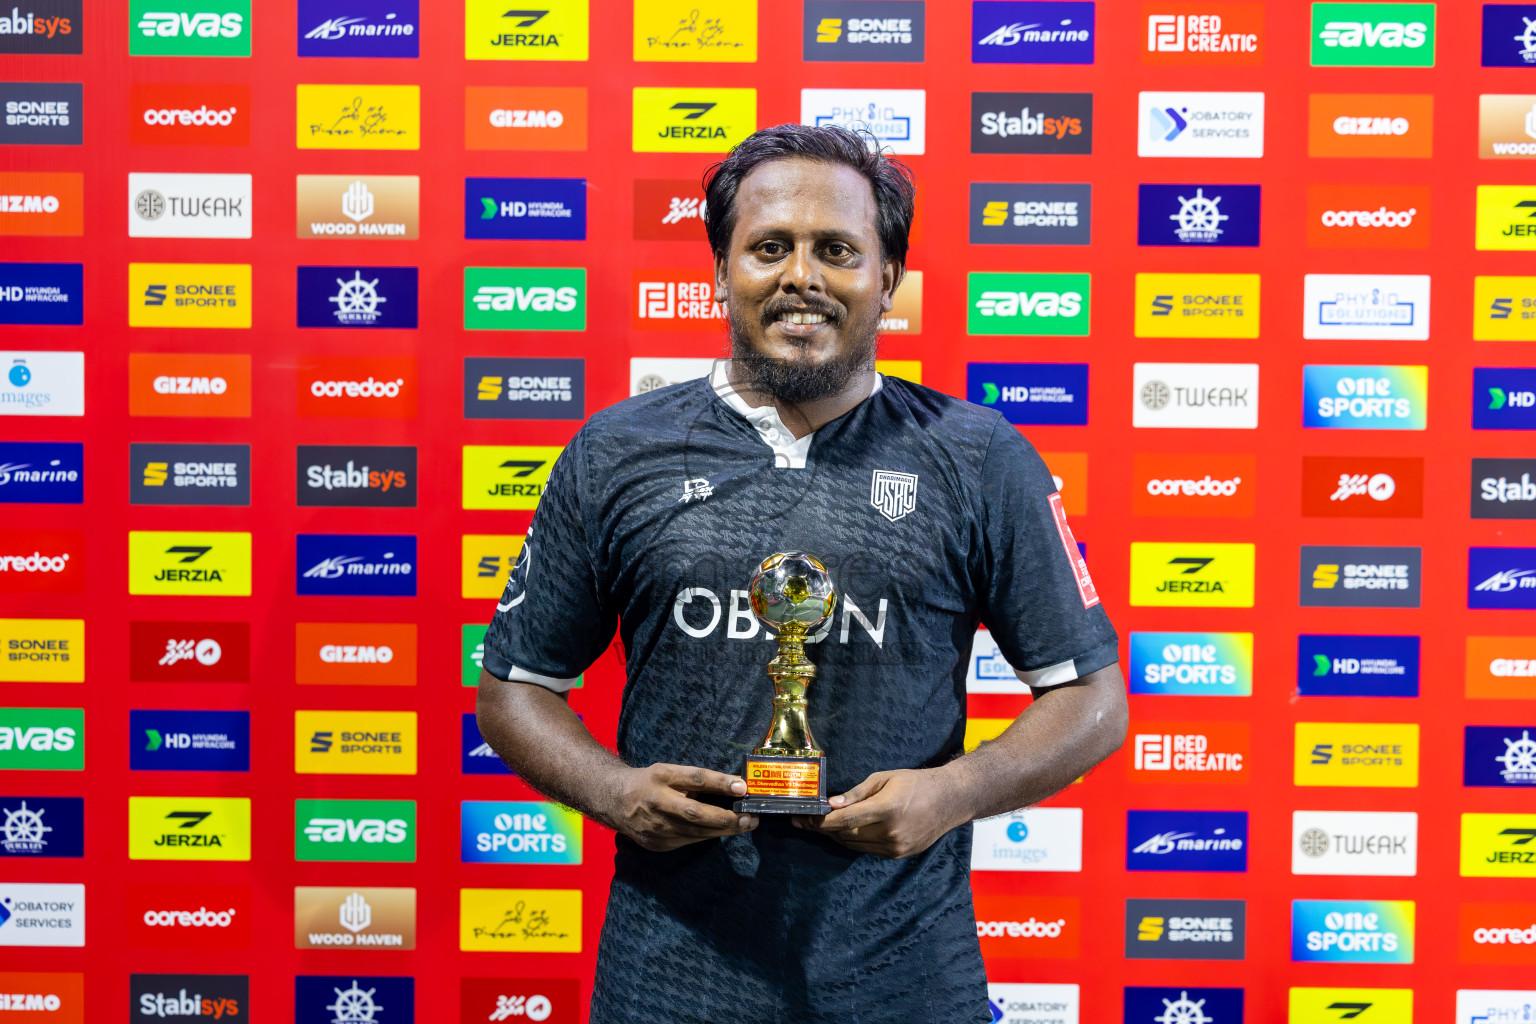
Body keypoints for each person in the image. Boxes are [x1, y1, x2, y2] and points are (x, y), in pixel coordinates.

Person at [474, 123, 1128, 1024]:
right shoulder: (615, 452)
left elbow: (1092, 700)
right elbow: (515, 690)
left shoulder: (978, 458)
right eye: (770, 247)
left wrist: (954, 793)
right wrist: (614, 792)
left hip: (906, 976)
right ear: (719, 270)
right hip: (672, 977)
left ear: (888, 279)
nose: (802, 278)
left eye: (838, 251)